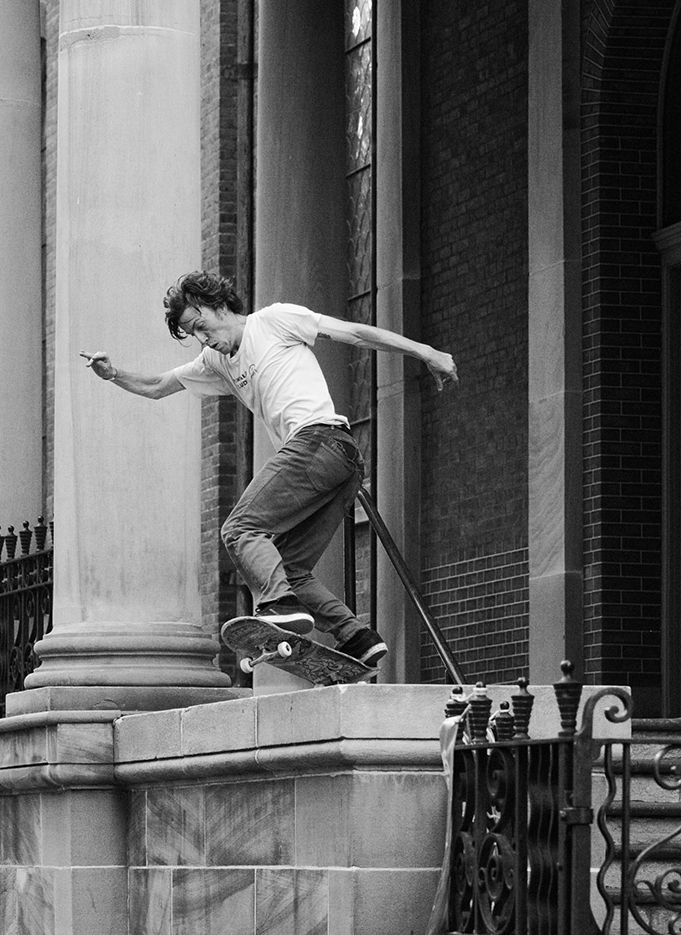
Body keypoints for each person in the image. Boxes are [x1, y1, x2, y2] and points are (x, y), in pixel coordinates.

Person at [81, 270, 457, 669]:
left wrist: (425, 352)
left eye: (201, 325)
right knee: (289, 569)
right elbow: (159, 385)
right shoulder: (216, 362)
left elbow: (355, 333)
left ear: (218, 305)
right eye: (193, 334)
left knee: (239, 529)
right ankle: (356, 637)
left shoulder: (274, 320)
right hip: (337, 468)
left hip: (321, 441)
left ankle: (279, 604)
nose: (204, 338)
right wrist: (114, 374)